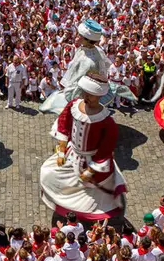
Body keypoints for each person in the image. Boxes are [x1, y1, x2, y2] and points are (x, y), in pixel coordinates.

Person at [40, 73, 128, 220]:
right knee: (48, 173)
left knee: (90, 195)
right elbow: (63, 124)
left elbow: (105, 150)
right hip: (71, 154)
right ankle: (66, 208)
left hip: (91, 161)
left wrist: (91, 170)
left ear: (99, 96)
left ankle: (88, 216)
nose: (86, 97)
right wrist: (61, 149)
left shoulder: (107, 122)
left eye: (90, 95)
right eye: (85, 93)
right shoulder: (74, 105)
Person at [40, 20, 112, 114]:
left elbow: (78, 79)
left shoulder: (88, 61)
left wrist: (68, 88)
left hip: (83, 93)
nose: (77, 37)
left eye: (79, 36)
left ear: (86, 39)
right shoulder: (91, 49)